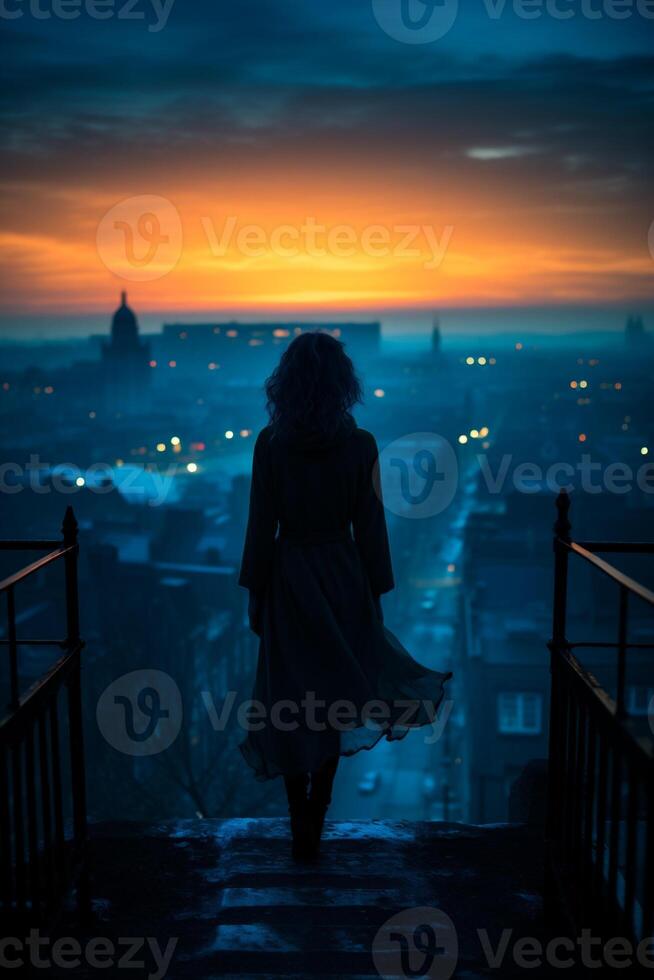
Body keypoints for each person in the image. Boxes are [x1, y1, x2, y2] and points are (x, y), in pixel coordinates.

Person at [239, 331, 451, 861]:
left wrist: (256, 593)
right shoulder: (361, 446)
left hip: (288, 580)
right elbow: (371, 525)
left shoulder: (270, 444)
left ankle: (296, 819)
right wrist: (375, 593)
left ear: (284, 384)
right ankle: (318, 809)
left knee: (290, 699)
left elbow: (260, 528)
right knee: (333, 700)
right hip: (341, 575)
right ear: (342, 384)